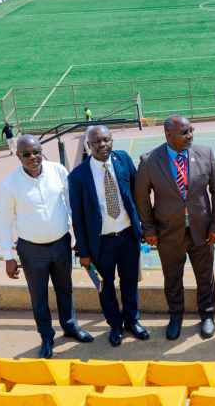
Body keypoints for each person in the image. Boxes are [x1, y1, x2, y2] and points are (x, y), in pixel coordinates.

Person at [0, 135, 93, 359]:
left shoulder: (58, 171)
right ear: (18, 156)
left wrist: (79, 238)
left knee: (65, 289)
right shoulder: (9, 184)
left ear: (42, 152)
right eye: (27, 154)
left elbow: (71, 206)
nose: (33, 157)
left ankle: (70, 326)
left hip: (61, 244)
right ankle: (47, 336)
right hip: (31, 250)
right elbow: (4, 221)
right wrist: (8, 257)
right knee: (38, 296)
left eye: (37, 152)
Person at [135, 115, 215, 341]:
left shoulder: (205, 154)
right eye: (184, 132)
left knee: (205, 276)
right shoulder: (149, 161)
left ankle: (207, 315)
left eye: (191, 130)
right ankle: (175, 317)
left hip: (202, 231)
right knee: (172, 278)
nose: (190, 135)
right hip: (167, 233)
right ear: (168, 135)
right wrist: (149, 230)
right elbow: (142, 198)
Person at [69, 125, 148, 347]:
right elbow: (78, 217)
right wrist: (84, 252)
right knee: (106, 287)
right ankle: (115, 325)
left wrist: (142, 226)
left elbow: (137, 193)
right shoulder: (78, 176)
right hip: (101, 243)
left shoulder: (123, 160)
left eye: (106, 140)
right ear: (88, 145)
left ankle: (132, 321)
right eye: (96, 142)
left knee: (130, 282)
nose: (102, 145)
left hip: (127, 237)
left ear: (112, 140)